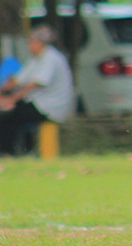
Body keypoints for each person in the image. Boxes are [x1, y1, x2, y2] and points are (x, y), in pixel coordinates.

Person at [0, 25, 75, 156]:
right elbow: (17, 80)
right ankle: (19, 150)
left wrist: (12, 99)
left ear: (40, 43)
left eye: (31, 42)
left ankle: (9, 152)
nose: (29, 46)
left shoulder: (51, 58)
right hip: (38, 103)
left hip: (50, 107)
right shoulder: (35, 59)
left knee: (11, 116)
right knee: (14, 113)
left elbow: (36, 84)